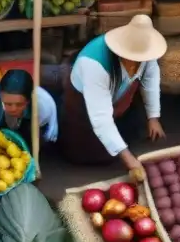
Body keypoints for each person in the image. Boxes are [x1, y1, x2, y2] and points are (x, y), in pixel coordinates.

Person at [61, 14, 166, 178]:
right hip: (83, 102)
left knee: (126, 132)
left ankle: (118, 139)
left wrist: (153, 117)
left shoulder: (147, 52)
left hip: (116, 98)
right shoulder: (94, 64)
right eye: (132, 59)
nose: (136, 63)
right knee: (86, 152)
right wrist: (128, 159)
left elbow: (150, 81)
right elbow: (101, 118)